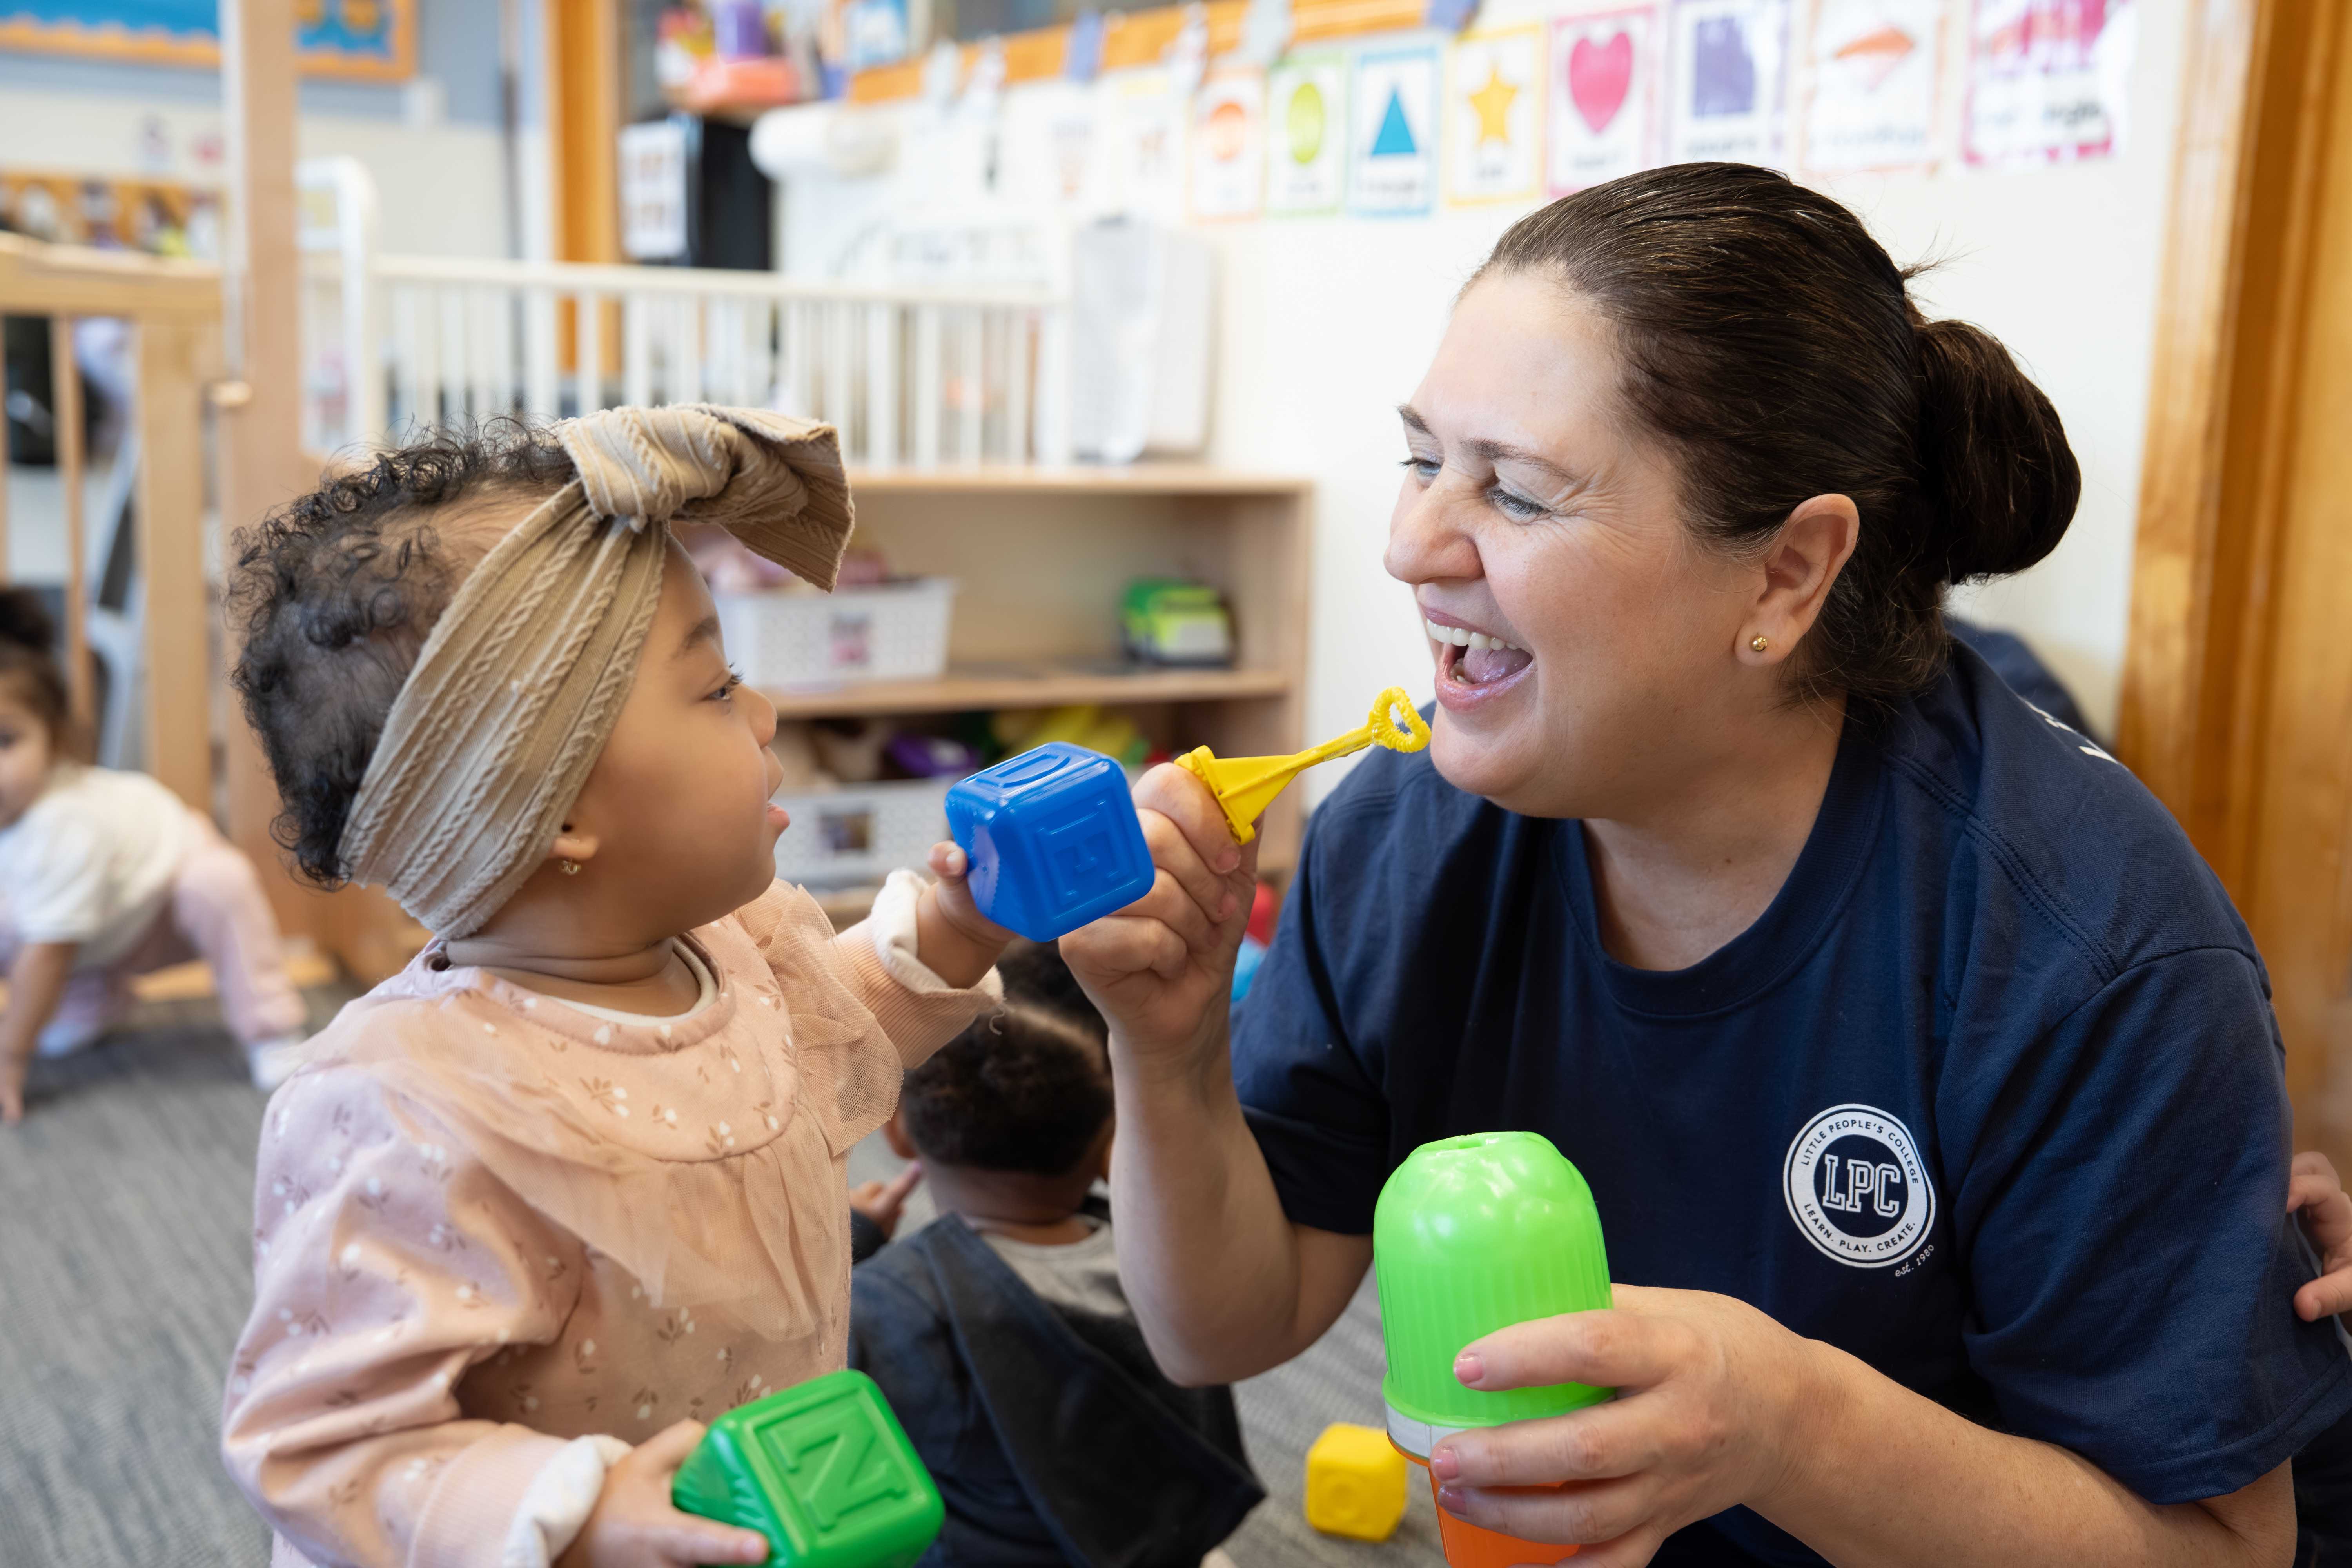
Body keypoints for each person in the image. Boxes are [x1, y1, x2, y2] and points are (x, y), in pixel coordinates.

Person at [1062, 163, 2352, 1567]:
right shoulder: (1403, 831)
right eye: (1424, 459)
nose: (1410, 545)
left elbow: (2222, 1549)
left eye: (1519, 492)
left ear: (1787, 574)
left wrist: (1788, 1426)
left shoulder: (2089, 949)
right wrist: (1170, 1051)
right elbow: (1226, 1328)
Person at [216, 408, 1014, 1568]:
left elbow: (835, 1038)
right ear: (552, 808)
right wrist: (577, 1511)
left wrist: (954, 924)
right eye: (717, 687)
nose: (766, 712)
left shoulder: (735, 950)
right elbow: (327, 1444)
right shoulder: (406, 1106)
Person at [848, 978, 1262, 1567]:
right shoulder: (1168, 1258)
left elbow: (802, 1371)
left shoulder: (891, 1302)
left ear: (897, 1131)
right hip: (1165, 1538)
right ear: (1107, 1142)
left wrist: (851, 1239)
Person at [0, 587, 308, 1119]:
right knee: (34, 920)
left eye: (5, 741)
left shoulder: (61, 824)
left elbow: (49, 950)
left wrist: (10, 1056)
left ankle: (272, 1027)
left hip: (161, 904)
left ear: (55, 740)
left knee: (219, 884)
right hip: (103, 916)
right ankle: (92, 1000)